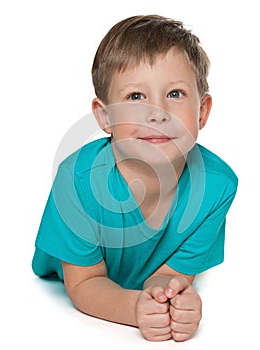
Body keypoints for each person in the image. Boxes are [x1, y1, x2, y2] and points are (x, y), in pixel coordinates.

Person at [32, 15, 238, 342]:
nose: (157, 113)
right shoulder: (78, 179)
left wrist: (168, 300)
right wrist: (134, 309)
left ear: (202, 111)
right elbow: (85, 282)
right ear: (105, 116)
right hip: (74, 272)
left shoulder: (217, 186)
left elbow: (171, 273)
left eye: (175, 93)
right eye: (136, 97)